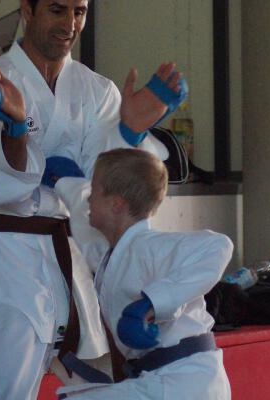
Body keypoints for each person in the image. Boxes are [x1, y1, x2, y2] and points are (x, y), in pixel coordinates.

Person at [0, 0, 186, 400]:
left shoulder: (97, 89)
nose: (70, 24)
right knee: (8, 391)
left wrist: (130, 130)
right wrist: (16, 128)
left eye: (79, 11)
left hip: (77, 250)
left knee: (108, 386)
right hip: (11, 253)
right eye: (57, 9)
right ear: (26, 8)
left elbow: (112, 183)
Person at [52, 148, 232, 399]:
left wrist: (151, 303)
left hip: (185, 381)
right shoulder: (111, 251)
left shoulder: (152, 246)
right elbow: (84, 226)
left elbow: (218, 246)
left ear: (116, 204)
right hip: (161, 380)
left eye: (94, 193)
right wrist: (66, 183)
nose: (88, 200)